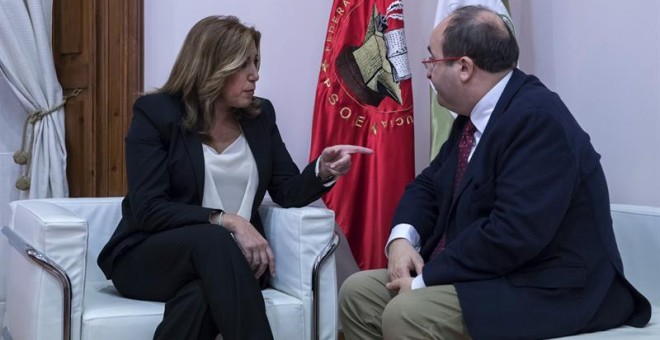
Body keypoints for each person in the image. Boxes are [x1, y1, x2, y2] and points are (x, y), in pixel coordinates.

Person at [338, 5, 651, 340]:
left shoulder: (538, 120)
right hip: (491, 273)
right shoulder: (473, 118)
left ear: (463, 68)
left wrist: (423, 280)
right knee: (358, 293)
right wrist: (402, 240)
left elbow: (513, 233)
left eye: (431, 60)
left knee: (409, 312)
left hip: (546, 285)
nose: (426, 73)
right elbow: (429, 185)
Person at [97, 15, 371, 340]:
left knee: (201, 295)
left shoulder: (260, 115)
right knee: (215, 239)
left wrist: (322, 171)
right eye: (244, 65)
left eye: (256, 62)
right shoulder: (156, 113)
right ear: (212, 66)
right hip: (150, 258)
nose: (256, 74)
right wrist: (228, 220)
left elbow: (286, 191)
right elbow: (148, 208)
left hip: (235, 263)